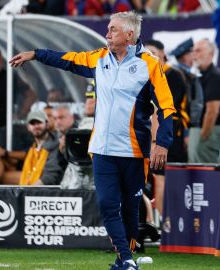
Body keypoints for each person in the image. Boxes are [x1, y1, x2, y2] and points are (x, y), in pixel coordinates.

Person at [9, 11, 175, 270]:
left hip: (134, 151)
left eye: (113, 30)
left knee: (131, 209)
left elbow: (166, 107)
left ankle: (123, 260)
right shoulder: (99, 58)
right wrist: (35, 54)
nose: (107, 34)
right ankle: (128, 259)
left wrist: (162, 142)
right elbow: (67, 60)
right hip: (101, 150)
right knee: (107, 203)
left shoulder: (150, 64)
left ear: (129, 35)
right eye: (108, 29)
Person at [145, 39, 189, 216]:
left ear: (163, 53)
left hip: (170, 135)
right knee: (157, 180)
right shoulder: (147, 75)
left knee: (166, 180)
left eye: (153, 51)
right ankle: (160, 224)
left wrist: (156, 141)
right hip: (152, 135)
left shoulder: (173, 76)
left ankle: (168, 226)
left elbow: (165, 109)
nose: (149, 55)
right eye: (146, 52)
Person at [190, 39, 220, 163]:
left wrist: (203, 136)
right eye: (193, 51)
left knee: (205, 174)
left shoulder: (214, 76)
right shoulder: (202, 75)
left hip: (209, 131)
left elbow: (212, 111)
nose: (194, 54)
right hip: (201, 130)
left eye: (198, 50)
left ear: (211, 54)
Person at [171, 38, 204, 159]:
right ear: (185, 56)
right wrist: (187, 132)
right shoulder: (181, 76)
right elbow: (185, 106)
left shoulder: (180, 74)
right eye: (191, 54)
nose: (194, 57)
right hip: (185, 128)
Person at [19, 110, 63, 186]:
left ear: (47, 124)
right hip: (30, 189)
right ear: (28, 127)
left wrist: (27, 191)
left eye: (39, 122)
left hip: (46, 193)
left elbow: (50, 177)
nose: (36, 126)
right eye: (32, 123)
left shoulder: (56, 144)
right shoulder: (33, 147)